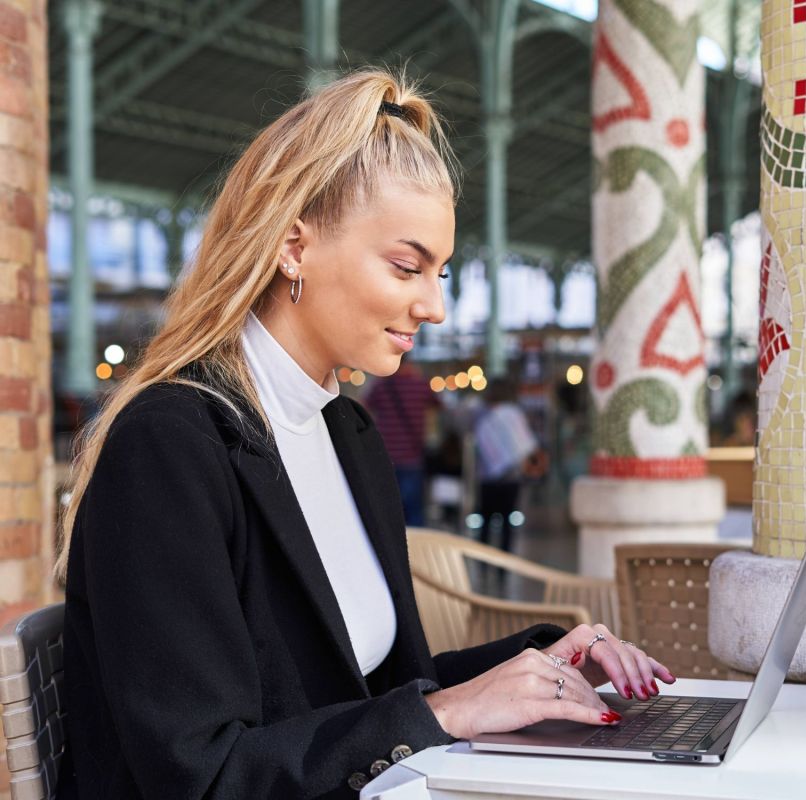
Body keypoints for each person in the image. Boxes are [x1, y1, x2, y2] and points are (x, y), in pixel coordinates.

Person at [55, 70, 674, 800]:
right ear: (293, 248)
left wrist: (539, 667)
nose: (435, 306)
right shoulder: (170, 446)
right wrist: (446, 711)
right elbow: (200, 774)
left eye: (441, 272)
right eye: (408, 266)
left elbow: (374, 693)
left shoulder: (347, 433)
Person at [473, 377, 547, 553]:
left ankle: (483, 562)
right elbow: (525, 444)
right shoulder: (513, 414)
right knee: (507, 524)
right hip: (511, 478)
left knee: (485, 522)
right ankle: (503, 567)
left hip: (487, 478)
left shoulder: (483, 414)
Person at [364, 359, 439, 526]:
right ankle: (415, 549)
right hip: (412, 455)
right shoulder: (420, 385)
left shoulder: (381, 386)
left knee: (388, 510)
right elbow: (438, 405)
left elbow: (365, 406)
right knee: (414, 510)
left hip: (385, 455)